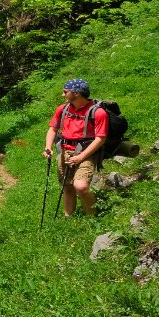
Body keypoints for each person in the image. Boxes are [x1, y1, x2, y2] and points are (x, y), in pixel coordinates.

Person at [43, 78, 107, 216]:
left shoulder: (98, 112)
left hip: (86, 153)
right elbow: (52, 129)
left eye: (65, 91)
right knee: (67, 186)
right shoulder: (63, 109)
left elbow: (100, 138)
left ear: (76, 93)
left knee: (81, 186)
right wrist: (48, 147)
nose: (63, 94)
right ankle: (68, 217)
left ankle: (92, 216)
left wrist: (81, 157)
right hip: (64, 151)